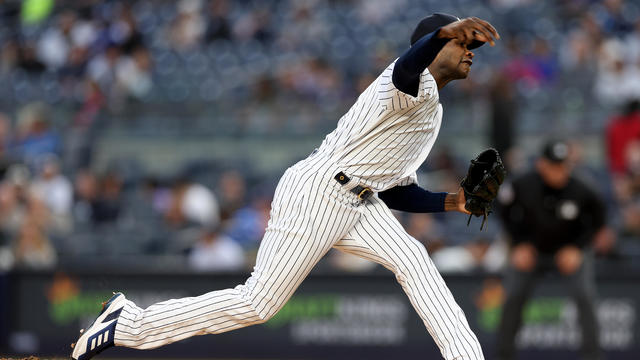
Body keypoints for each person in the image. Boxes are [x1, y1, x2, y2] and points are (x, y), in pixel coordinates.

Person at [71, 13, 500, 360]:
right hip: (319, 191)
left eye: (470, 46)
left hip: (361, 198)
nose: (470, 52)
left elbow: (393, 189)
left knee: (414, 259)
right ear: (434, 44)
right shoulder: (410, 80)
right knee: (259, 304)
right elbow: (408, 65)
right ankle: (128, 323)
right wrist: (442, 31)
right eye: (463, 43)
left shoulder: (434, 110)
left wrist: (454, 201)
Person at [495, 140, 606, 360]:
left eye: (564, 165)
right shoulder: (522, 185)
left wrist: (578, 247)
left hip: (569, 251)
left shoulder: (583, 189)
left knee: (585, 297)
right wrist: (518, 244)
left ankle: (593, 356)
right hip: (531, 250)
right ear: (541, 164)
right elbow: (503, 211)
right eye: (554, 166)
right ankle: (503, 356)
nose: (559, 171)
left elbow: (598, 221)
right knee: (514, 296)